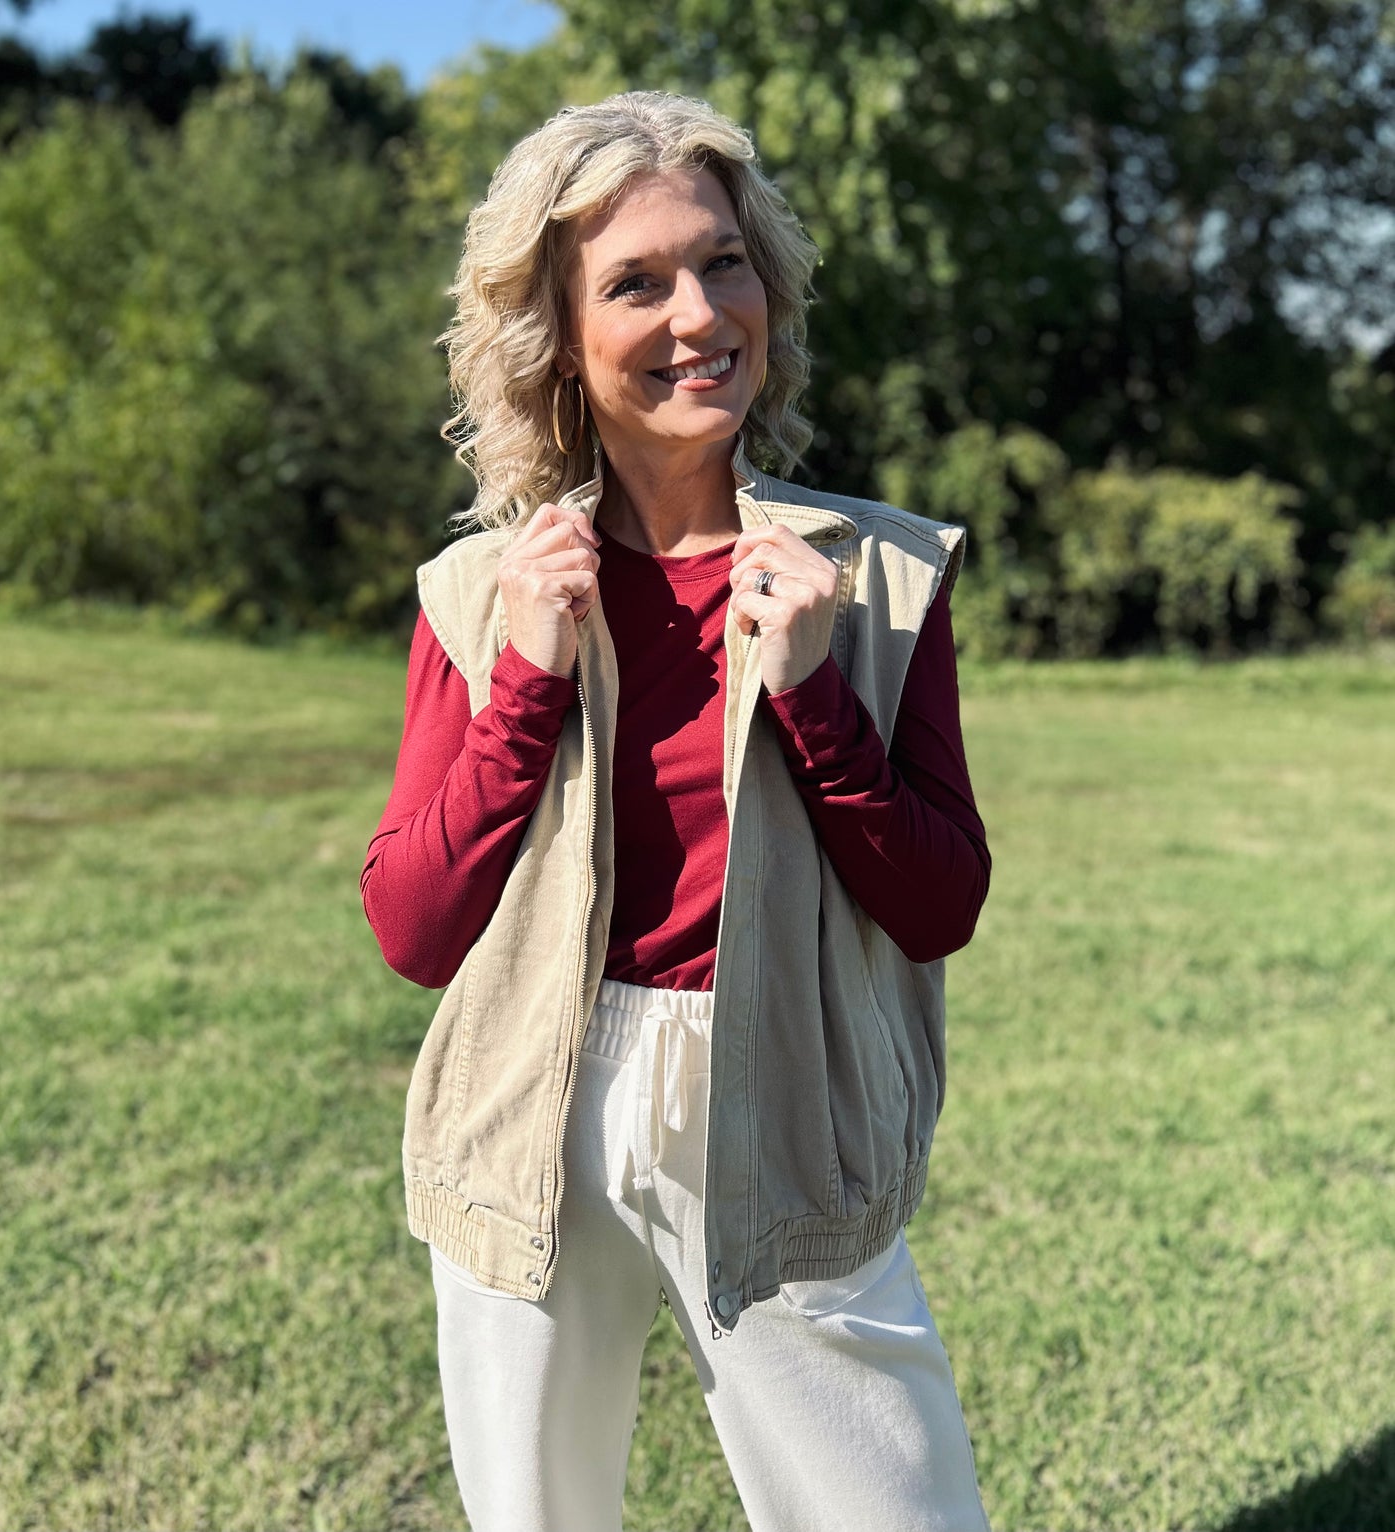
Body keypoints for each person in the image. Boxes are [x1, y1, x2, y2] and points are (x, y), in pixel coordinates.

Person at [361, 89, 992, 1532]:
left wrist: (813, 692)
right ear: (559, 341)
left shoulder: (878, 578)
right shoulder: (477, 595)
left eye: (722, 262)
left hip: (782, 1085)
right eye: (635, 282)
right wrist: (525, 676)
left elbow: (937, 902)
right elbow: (412, 926)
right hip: (527, 1086)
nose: (699, 312)